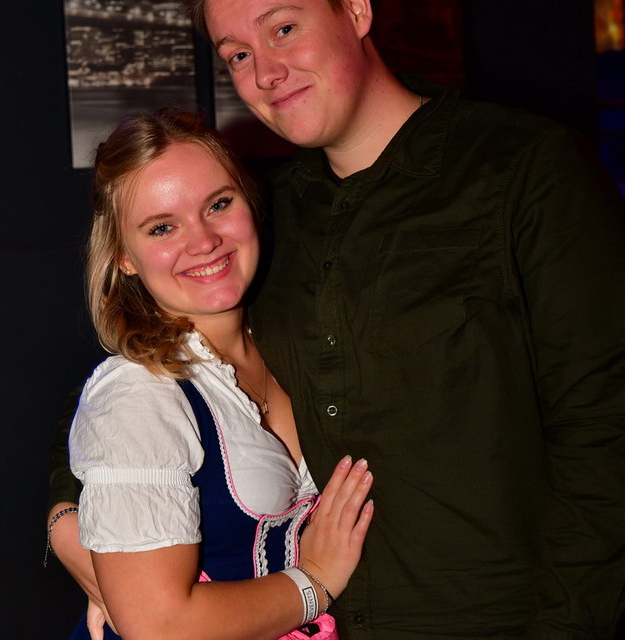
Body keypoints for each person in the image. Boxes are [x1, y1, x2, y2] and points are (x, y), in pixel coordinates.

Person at [49, 0, 625, 638]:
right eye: (237, 54)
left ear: (356, 9)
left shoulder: (527, 170)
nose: (265, 72)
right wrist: (69, 518)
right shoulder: (274, 217)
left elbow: (604, 429)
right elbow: (137, 393)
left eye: (284, 28)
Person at [46, 107, 374, 640]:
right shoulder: (138, 394)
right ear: (124, 257)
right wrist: (314, 581)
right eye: (162, 227)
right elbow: (159, 627)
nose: (203, 241)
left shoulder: (296, 344)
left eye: (218, 204)